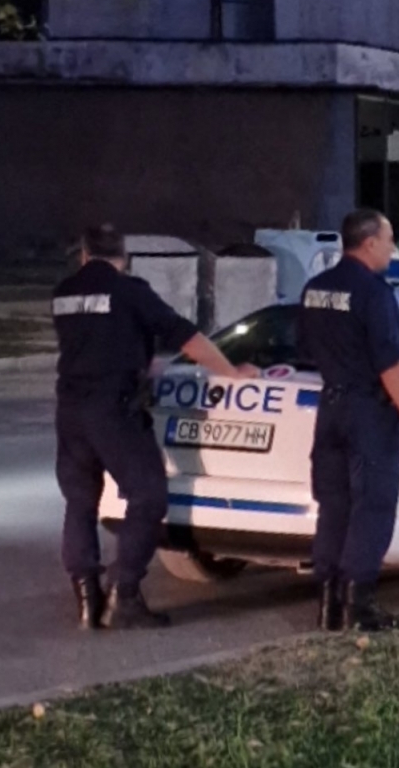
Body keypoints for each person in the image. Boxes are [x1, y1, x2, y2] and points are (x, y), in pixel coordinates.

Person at [53, 224, 259, 630]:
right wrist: (231, 372)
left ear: (84, 254)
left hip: (71, 410)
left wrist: (139, 363)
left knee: (80, 502)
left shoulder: (64, 293)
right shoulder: (131, 291)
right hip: (113, 410)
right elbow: (188, 338)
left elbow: (96, 342)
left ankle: (87, 600)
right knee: (148, 496)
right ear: (124, 256)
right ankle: (124, 593)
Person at [298, 208, 399, 633]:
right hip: (367, 414)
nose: (393, 250)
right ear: (370, 242)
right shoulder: (375, 294)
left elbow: (306, 349)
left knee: (334, 507)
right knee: (372, 506)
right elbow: (389, 364)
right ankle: (359, 606)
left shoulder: (315, 288)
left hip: (331, 408)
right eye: (389, 240)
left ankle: (329, 608)